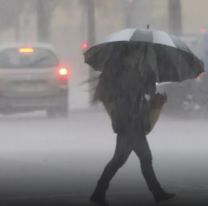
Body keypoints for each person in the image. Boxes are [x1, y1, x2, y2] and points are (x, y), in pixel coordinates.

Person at [90, 46, 175, 206]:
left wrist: (149, 83)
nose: (137, 59)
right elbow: (140, 92)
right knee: (143, 158)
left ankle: (99, 192)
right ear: (126, 58)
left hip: (129, 122)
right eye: (135, 56)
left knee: (119, 160)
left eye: (139, 56)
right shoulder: (128, 75)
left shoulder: (132, 73)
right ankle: (157, 193)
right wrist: (149, 77)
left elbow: (144, 93)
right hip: (130, 123)